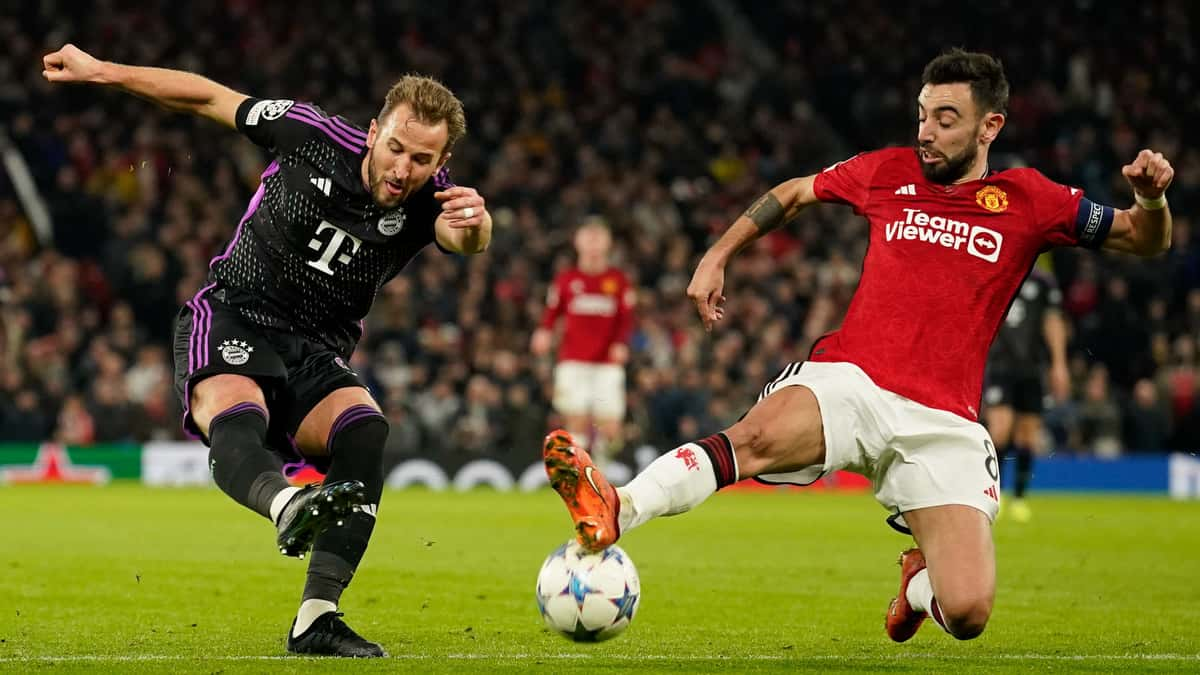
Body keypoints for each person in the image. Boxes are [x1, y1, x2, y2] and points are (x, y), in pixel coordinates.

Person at [542, 48, 1173, 643]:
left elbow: (1144, 240)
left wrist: (1149, 197)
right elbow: (793, 192)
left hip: (944, 422)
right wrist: (717, 255)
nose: (926, 131)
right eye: (922, 115)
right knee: (755, 438)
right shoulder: (887, 172)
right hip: (852, 381)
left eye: (946, 119)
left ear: (990, 126)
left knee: (968, 612)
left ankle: (917, 582)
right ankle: (619, 505)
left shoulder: (1030, 200)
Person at [42, 44, 492, 657]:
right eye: (394, 147)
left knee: (365, 431)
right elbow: (207, 96)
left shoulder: (428, 200)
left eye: (421, 159)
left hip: (314, 351)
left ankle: (316, 618)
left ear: (440, 161)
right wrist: (102, 72)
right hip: (235, 312)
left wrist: (477, 225)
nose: (402, 169)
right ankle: (286, 504)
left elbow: (462, 238)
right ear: (372, 132)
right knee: (238, 416)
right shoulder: (310, 135)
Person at [531, 218, 635, 469]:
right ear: (578, 242)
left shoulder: (618, 281)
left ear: (608, 243)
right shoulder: (566, 280)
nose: (593, 244)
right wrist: (543, 332)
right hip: (573, 360)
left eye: (598, 238)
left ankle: (600, 464)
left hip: (607, 364)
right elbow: (551, 311)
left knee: (610, 429)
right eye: (588, 238)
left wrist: (621, 343)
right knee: (576, 420)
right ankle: (582, 474)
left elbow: (627, 318)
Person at [983, 259, 1069, 522]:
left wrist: (1059, 364)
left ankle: (1019, 499)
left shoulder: (1043, 283)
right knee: (999, 431)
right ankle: (991, 496)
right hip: (1000, 364)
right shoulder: (996, 272)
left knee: (1027, 437)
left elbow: (1052, 323)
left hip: (1032, 368)